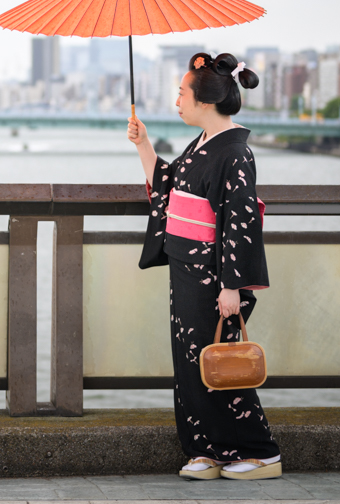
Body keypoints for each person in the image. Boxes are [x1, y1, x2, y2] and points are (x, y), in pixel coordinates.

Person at [126, 52, 282, 481]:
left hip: (216, 278)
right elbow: (170, 184)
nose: (177, 100)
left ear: (205, 102)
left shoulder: (235, 154)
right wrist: (144, 144)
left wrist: (233, 286)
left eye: (181, 93)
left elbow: (239, 221)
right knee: (192, 361)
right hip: (187, 271)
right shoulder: (202, 146)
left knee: (220, 362)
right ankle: (206, 450)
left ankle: (258, 451)